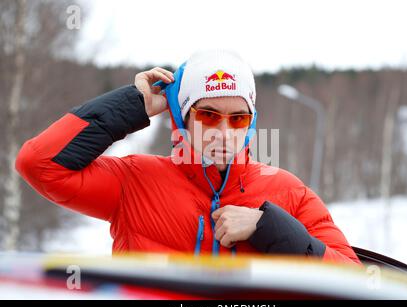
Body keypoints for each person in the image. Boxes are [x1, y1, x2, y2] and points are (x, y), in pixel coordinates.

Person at [16, 49, 361, 264]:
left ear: (251, 122)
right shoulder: (134, 182)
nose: (224, 133)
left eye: (238, 118)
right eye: (209, 115)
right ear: (183, 119)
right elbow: (39, 163)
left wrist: (268, 227)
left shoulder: (289, 193)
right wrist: (132, 106)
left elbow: (352, 281)